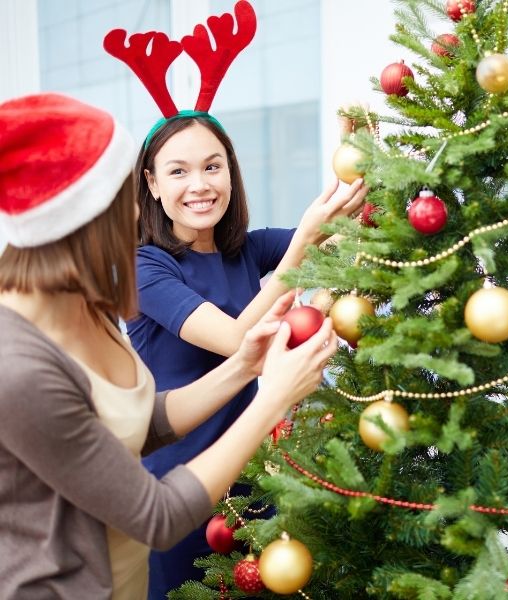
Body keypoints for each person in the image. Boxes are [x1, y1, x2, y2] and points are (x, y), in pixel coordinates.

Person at [0, 92, 338, 598]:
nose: (137, 208)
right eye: (126, 196)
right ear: (86, 217)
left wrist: (245, 368)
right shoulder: (18, 367)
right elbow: (156, 516)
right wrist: (273, 399)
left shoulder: (85, 303)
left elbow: (138, 424)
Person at [102, 3, 368, 594]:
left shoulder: (248, 248)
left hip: (259, 484)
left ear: (231, 172)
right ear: (151, 184)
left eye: (212, 166)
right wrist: (304, 241)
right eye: (178, 172)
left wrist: (360, 160)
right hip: (180, 493)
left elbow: (342, 239)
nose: (199, 184)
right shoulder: (145, 266)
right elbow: (235, 339)